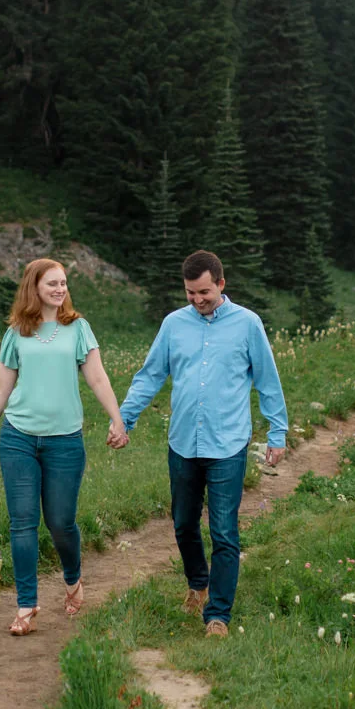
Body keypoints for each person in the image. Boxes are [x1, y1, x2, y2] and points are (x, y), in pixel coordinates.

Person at [120, 250, 288, 637]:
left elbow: (267, 380)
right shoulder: (173, 324)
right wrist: (125, 419)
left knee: (225, 531)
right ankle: (198, 583)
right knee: (182, 524)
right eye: (190, 293)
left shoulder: (248, 324)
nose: (197, 300)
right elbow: (150, 376)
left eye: (204, 293)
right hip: (182, 442)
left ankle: (218, 616)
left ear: (221, 285)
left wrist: (277, 433)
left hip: (227, 444)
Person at [0, 258, 129, 635]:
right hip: (19, 438)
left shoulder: (77, 328)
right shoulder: (17, 332)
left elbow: (96, 376)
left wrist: (117, 417)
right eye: (52, 284)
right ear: (34, 287)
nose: (60, 290)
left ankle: (73, 579)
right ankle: (26, 606)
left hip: (64, 442)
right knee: (22, 523)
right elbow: (1, 387)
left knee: (60, 524)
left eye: (63, 284)